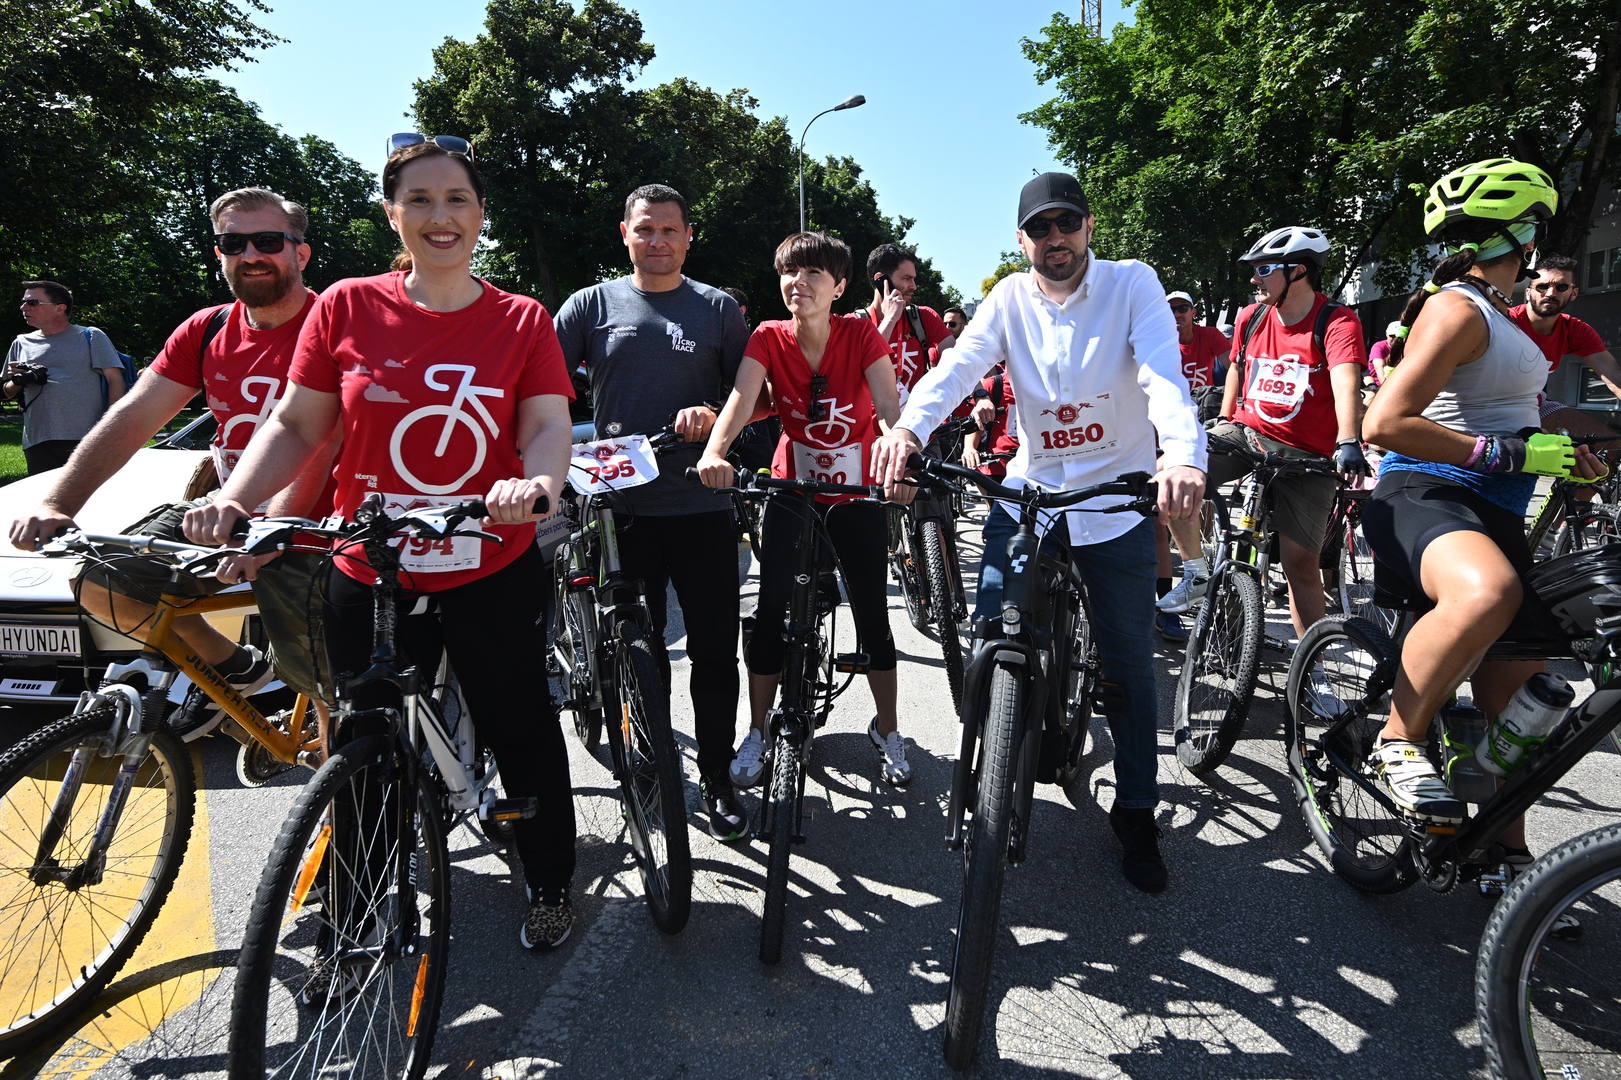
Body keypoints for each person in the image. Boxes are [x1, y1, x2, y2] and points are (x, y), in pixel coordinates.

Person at [184, 135, 580, 951]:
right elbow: (297, 424)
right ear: (392, 214)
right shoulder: (347, 306)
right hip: (372, 564)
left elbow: (545, 423)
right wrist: (233, 499)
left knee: (518, 722)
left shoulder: (520, 318)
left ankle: (547, 880)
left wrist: (534, 485)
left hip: (487, 558)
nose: (441, 216)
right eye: (420, 200)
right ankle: (356, 904)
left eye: (457, 199)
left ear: (480, 214)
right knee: (362, 739)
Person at [872, 172, 1208, 894]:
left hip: (1114, 500)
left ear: (1088, 227)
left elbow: (1162, 375)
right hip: (1032, 496)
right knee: (990, 633)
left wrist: (1181, 455)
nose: (1055, 238)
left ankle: (1137, 810)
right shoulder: (1006, 299)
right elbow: (956, 369)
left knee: (1127, 663)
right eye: (1039, 228)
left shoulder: (1131, 284)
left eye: (1067, 223)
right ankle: (989, 760)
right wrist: (907, 430)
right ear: (1021, 240)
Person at [8, 187, 335, 737]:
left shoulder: (337, 322)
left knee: (327, 690)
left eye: (268, 241)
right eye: (234, 243)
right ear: (219, 253)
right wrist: (57, 503)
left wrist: (271, 527)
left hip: (319, 518)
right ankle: (236, 668)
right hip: (227, 508)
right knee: (103, 582)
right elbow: (133, 417)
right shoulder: (207, 329)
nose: (251, 254)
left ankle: (335, 773)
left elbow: (319, 442)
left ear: (299, 253)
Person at [1360, 159, 1603, 849]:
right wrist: (1514, 455)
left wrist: (1561, 451)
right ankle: (1397, 740)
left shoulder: (1500, 314)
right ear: (1523, 235)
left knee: (1522, 710)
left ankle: (1507, 854)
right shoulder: (1457, 307)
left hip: (1494, 511)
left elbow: (1504, 413)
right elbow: (1384, 422)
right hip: (1426, 493)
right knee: (1486, 593)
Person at [552, 183, 751, 842]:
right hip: (620, 511)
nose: (657, 241)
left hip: (700, 504)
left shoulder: (718, 309)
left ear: (688, 237)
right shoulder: (590, 305)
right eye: (645, 229)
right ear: (625, 233)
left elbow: (752, 396)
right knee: (638, 649)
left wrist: (713, 413)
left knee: (715, 652)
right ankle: (652, 765)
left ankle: (716, 776)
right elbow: (541, 385)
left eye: (670, 230)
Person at [697, 232, 918, 787]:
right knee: (770, 610)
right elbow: (741, 399)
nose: (799, 283)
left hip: (856, 492)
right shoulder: (768, 336)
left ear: (839, 287)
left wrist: (900, 461)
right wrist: (714, 452)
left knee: (872, 613)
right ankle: (757, 730)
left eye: (814, 273)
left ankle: (888, 730)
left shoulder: (860, 334)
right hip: (792, 488)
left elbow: (888, 407)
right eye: (790, 273)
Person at [1157, 226, 1369, 660]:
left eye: (1264, 269)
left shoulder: (1336, 320)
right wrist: (1224, 419)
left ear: (1300, 271)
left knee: (1300, 567)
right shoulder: (1251, 317)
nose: (1255, 278)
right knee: (1169, 470)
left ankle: (1313, 672)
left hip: (1307, 455)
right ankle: (1196, 571)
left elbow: (1346, 380)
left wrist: (1348, 439)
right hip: (1248, 433)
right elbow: (1237, 367)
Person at [6, 281, 129, 474]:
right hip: (37, 440)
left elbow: (115, 380)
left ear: (59, 308)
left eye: (32, 302)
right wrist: (17, 381)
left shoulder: (90, 336)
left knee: (89, 491)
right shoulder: (21, 342)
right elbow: (5, 392)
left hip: (86, 437)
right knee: (45, 492)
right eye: (24, 302)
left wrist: (111, 424)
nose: (24, 307)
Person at [1510, 253, 1621, 445]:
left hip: (1534, 405)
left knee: (1609, 443)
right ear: (1528, 293)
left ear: (1574, 293)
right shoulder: (1505, 321)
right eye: (1542, 286)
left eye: (1561, 287)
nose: (1550, 293)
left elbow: (1613, 376)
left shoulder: (1575, 330)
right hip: (1488, 409)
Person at [859, 244, 957, 406]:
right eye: (906, 278)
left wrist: (981, 396)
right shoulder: (855, 324)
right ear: (881, 280)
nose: (914, 286)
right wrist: (890, 319)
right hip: (872, 423)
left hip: (917, 421)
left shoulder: (923, 317)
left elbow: (957, 358)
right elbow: (859, 370)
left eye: (913, 279)